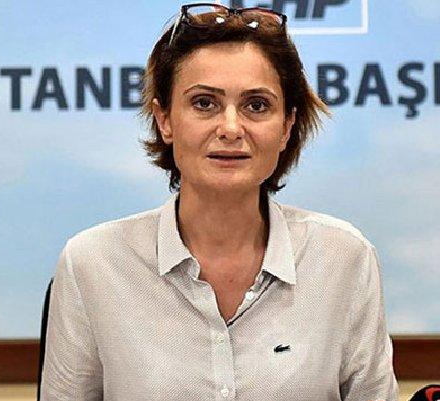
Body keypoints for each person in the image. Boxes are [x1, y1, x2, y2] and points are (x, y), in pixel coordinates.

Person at [40, 3, 398, 400]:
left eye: (256, 105)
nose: (230, 128)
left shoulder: (344, 258)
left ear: (286, 126)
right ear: (165, 120)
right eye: (204, 103)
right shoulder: (92, 263)